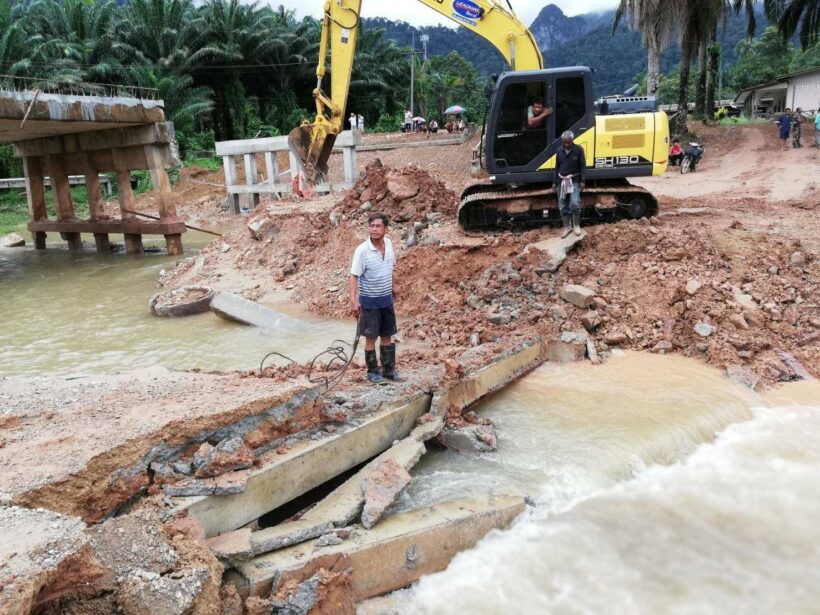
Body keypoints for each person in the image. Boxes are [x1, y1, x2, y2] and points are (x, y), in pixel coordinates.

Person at [348, 213, 402, 384]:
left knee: (387, 335)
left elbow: (390, 267)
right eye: (372, 226)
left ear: (385, 229)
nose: (374, 229)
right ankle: (373, 372)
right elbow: (354, 276)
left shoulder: (389, 244)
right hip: (369, 301)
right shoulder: (362, 251)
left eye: (378, 226)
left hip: (386, 300)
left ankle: (389, 371)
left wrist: (393, 285)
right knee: (371, 337)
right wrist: (354, 301)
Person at [554, 130, 586, 237]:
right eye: (564, 142)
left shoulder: (579, 150)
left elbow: (582, 167)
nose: (566, 144)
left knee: (575, 203)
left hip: (574, 181)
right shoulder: (559, 151)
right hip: (561, 181)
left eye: (568, 142)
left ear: (572, 140)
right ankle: (567, 227)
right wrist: (554, 182)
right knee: (562, 205)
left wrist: (582, 181)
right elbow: (557, 167)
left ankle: (576, 225)